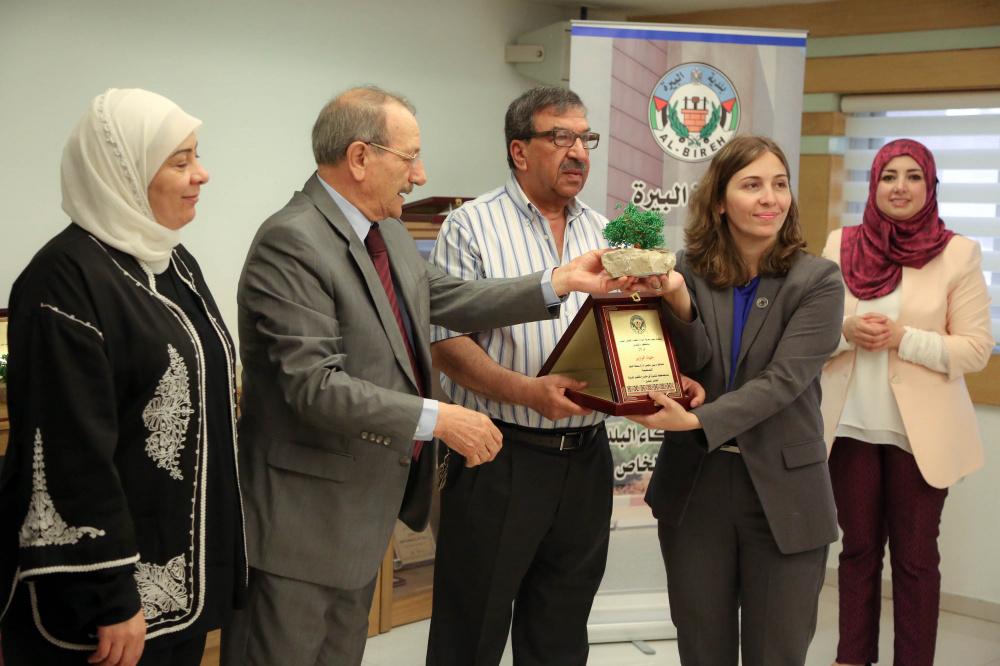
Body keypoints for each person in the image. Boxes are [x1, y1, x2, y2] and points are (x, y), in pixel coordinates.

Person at [221, 86, 633, 666]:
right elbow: (312, 385)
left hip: (361, 512)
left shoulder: (385, 232)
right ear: (360, 158)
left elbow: (454, 297)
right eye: (409, 158)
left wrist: (559, 282)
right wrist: (439, 418)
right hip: (301, 519)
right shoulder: (292, 239)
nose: (420, 175)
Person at [424, 85, 703, 666]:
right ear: (519, 151)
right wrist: (527, 393)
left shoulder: (605, 232)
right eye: (560, 137)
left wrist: (660, 380)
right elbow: (446, 342)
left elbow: (626, 332)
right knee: (470, 632)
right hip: (498, 456)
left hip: (586, 460)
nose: (578, 152)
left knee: (561, 631)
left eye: (585, 138)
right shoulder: (469, 226)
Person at [0, 88, 243, 666]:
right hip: (109, 606)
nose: (201, 174)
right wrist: (109, 594)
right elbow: (70, 453)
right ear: (124, 173)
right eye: (180, 162)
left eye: (197, 156)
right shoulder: (63, 281)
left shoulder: (174, 263)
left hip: (180, 579)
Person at [632, 135, 845, 666]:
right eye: (752, 185)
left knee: (777, 653)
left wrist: (697, 420)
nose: (770, 198)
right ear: (720, 200)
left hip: (784, 492)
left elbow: (783, 381)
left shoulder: (818, 280)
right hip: (695, 488)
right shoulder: (686, 270)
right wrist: (678, 300)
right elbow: (691, 364)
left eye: (779, 184)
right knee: (702, 649)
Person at [820, 139, 992, 666]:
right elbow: (812, 333)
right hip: (851, 425)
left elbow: (975, 348)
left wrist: (904, 339)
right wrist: (846, 332)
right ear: (873, 184)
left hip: (921, 434)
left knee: (915, 560)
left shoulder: (957, 252)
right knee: (857, 552)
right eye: (889, 176)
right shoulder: (841, 244)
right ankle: (852, 659)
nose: (900, 187)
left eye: (913, 176)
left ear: (930, 185)